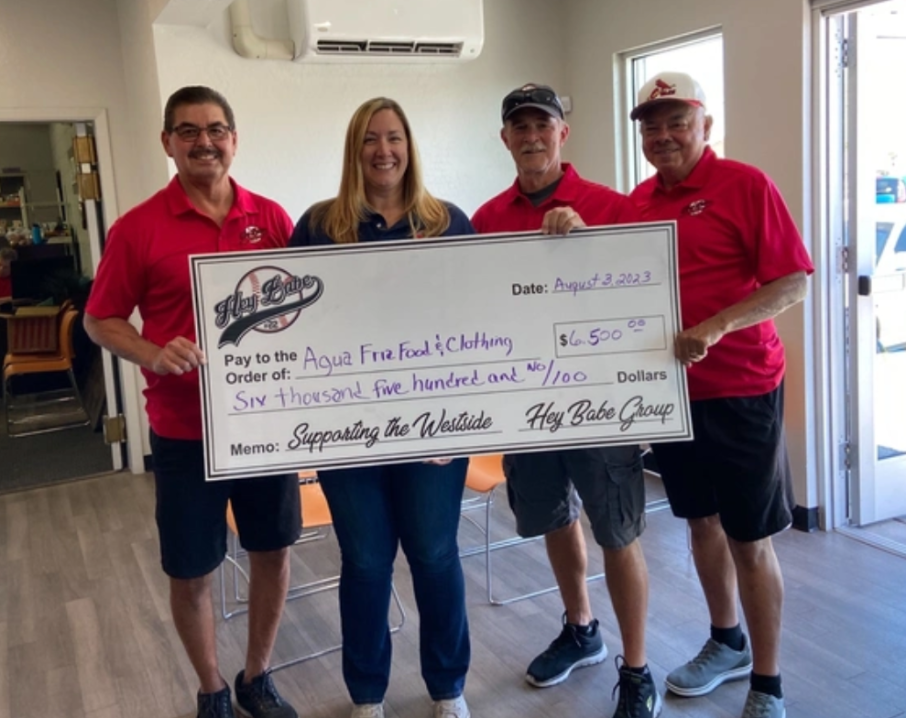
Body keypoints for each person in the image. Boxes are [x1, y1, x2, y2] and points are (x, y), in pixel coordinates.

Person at [83, 86, 301, 718]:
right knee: (192, 570)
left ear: (234, 138)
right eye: (188, 131)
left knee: (273, 551)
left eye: (216, 129)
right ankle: (211, 690)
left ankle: (256, 677)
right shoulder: (137, 228)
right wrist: (152, 352)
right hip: (185, 432)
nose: (204, 141)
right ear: (167, 143)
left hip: (265, 427)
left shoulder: (272, 217)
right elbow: (100, 320)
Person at [471, 83, 661, 718]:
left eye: (542, 125)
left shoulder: (609, 206)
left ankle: (636, 670)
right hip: (528, 405)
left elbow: (644, 301)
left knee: (618, 529)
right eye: (519, 127)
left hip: (599, 403)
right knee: (553, 516)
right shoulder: (488, 219)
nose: (531, 137)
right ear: (505, 138)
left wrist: (591, 247)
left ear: (562, 134)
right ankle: (582, 628)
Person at [629, 71, 814, 718]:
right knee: (698, 522)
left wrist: (716, 326)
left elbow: (793, 281)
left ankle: (768, 682)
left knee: (748, 537)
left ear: (704, 125)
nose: (663, 135)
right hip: (674, 396)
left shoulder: (745, 184)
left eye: (677, 121)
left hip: (740, 389)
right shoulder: (637, 203)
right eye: (651, 125)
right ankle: (725, 639)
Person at [288, 97, 474, 718]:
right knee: (366, 561)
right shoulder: (318, 225)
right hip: (347, 432)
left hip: (434, 429)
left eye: (394, 137)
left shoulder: (448, 221)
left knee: (434, 553)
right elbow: (293, 332)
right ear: (353, 150)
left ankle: (448, 687)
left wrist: (465, 418)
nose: (383, 150)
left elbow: (480, 321)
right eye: (370, 139)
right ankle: (367, 695)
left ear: (410, 146)